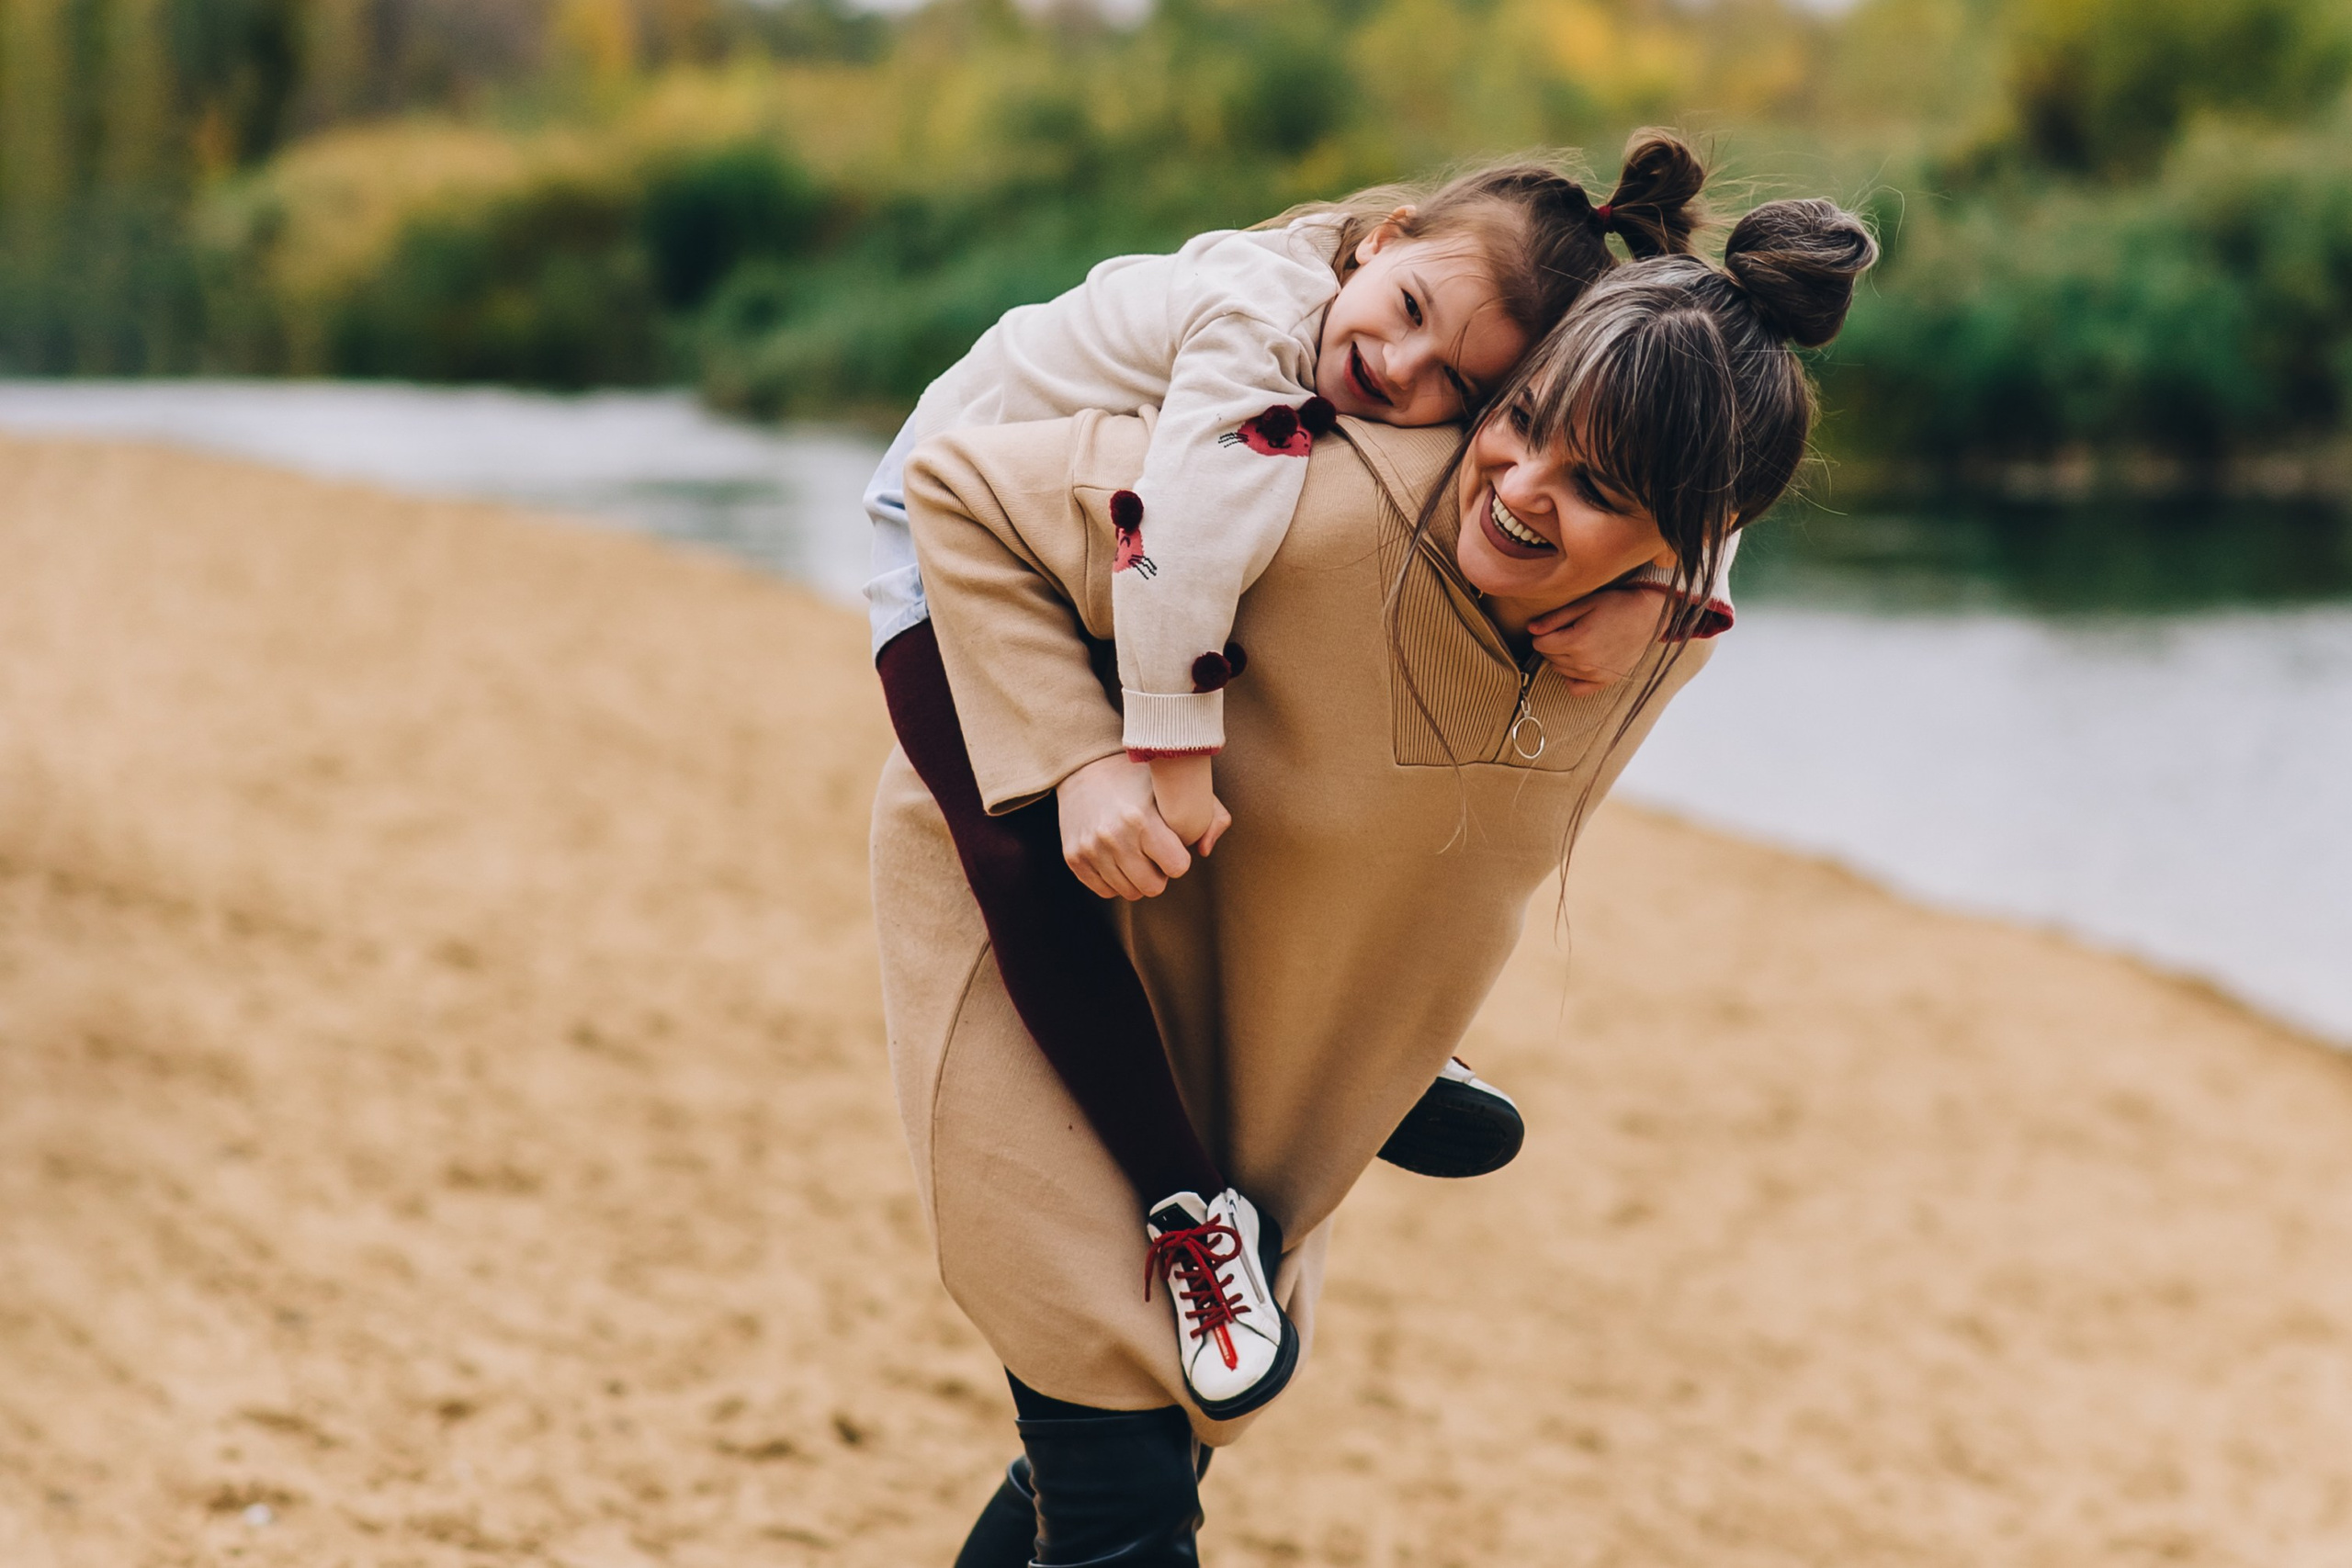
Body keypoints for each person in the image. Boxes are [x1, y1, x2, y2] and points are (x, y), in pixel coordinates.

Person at [875, 196, 1879, 1564]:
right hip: (1033, 909)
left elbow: (1705, 475)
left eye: (1599, 494)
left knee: (1122, 1462)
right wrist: (1084, 757)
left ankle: (1390, 1077)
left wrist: (1663, 585)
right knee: (1122, 1490)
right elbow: (959, 488)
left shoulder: (1657, 629)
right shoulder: (1308, 494)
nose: (1522, 488)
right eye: (1518, 432)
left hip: (1242, 985)